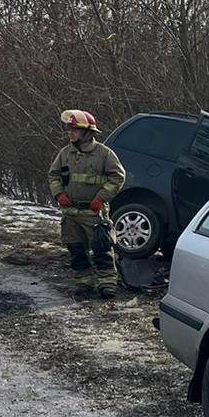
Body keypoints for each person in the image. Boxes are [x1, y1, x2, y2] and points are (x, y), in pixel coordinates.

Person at [47, 109, 125, 298]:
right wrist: (58, 194)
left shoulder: (104, 154)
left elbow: (118, 176)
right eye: (69, 129)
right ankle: (84, 282)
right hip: (71, 213)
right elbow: (53, 175)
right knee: (76, 250)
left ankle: (107, 283)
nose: (70, 133)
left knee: (102, 249)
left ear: (86, 132)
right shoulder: (65, 153)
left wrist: (101, 198)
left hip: (94, 212)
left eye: (74, 129)